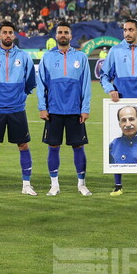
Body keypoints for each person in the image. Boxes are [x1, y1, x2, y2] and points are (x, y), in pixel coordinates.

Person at [99, 18, 137, 196]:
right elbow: (104, 75)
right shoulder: (115, 51)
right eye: (125, 30)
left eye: (131, 30)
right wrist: (110, 90)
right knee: (118, 143)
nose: (127, 33)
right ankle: (118, 186)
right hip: (122, 102)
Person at [0, 20, 37, 195]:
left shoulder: (24, 57)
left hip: (17, 108)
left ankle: (26, 185)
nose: (8, 35)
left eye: (11, 32)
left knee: (23, 145)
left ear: (14, 35)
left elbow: (31, 82)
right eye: (4, 32)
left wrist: (21, 96)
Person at [38, 22, 92, 196]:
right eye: (60, 32)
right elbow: (41, 85)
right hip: (53, 110)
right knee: (53, 147)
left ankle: (81, 184)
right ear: (55, 36)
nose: (63, 35)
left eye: (66, 32)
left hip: (75, 110)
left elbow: (86, 86)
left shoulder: (81, 57)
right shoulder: (47, 57)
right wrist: (42, 107)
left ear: (71, 36)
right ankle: (54, 185)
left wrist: (85, 108)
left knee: (78, 147)